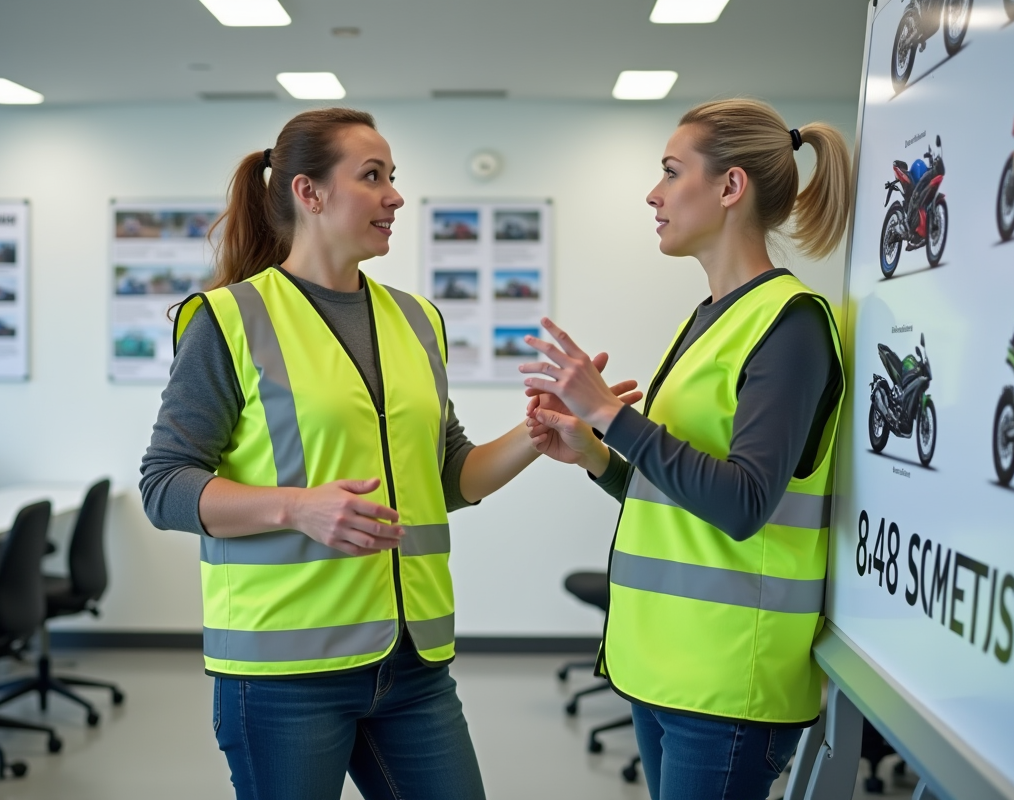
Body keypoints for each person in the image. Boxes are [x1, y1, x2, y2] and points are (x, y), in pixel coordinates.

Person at [139, 108, 636, 800]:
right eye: (372, 177)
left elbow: (448, 477)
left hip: (412, 665)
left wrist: (537, 433)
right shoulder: (228, 318)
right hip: (284, 672)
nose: (395, 196)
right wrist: (297, 508)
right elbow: (164, 485)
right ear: (309, 193)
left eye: (393, 177)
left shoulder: (418, 319)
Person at [520, 99, 851, 800]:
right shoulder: (705, 319)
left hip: (728, 678)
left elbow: (742, 503)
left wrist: (610, 414)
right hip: (660, 665)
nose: (654, 193)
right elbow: (675, 495)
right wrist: (595, 453)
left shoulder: (790, 325)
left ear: (730, 187)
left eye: (671, 172)